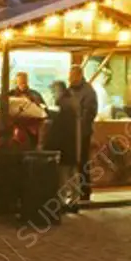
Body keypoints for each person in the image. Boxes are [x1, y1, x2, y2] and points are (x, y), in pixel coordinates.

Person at [40, 81, 80, 214]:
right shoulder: (71, 104)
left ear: (60, 91)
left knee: (63, 175)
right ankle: (74, 200)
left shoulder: (62, 107)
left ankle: (63, 202)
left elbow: (57, 130)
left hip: (64, 146)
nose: (52, 95)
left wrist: (48, 146)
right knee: (72, 173)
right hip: (72, 145)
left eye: (53, 92)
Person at [68, 64, 98, 201]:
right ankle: (73, 190)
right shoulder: (70, 90)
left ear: (79, 75)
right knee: (72, 163)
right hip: (71, 132)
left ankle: (85, 191)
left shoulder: (88, 92)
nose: (70, 78)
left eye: (72, 75)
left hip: (82, 133)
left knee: (82, 162)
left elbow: (89, 113)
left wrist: (80, 129)